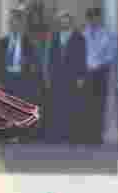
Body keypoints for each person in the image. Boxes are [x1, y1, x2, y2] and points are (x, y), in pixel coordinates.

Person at [46, 11, 87, 144]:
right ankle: (59, 135)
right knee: (58, 107)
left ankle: (72, 136)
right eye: (61, 20)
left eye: (66, 20)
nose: (64, 23)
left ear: (71, 22)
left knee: (72, 107)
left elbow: (82, 58)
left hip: (73, 77)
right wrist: (49, 76)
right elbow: (51, 59)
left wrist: (81, 76)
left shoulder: (79, 37)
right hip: (57, 77)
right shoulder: (55, 37)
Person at [82, 8, 115, 145]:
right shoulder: (83, 34)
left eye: (96, 18)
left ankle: (97, 134)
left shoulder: (106, 34)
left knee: (100, 104)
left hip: (101, 72)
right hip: (87, 72)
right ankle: (87, 134)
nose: (94, 20)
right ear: (88, 19)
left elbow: (110, 54)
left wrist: (102, 64)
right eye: (91, 18)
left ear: (99, 19)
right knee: (87, 104)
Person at [0, 5, 40, 105]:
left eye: (16, 21)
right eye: (11, 22)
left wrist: (31, 85)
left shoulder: (29, 44)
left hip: (22, 84)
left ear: (21, 24)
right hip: (6, 83)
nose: (13, 24)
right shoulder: (2, 43)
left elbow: (34, 66)